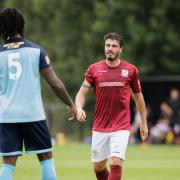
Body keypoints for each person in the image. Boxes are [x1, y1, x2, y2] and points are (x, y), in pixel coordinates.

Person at [0, 8, 77, 180]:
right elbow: (55, 83)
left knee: (8, 162)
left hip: (7, 116)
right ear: (21, 26)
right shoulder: (36, 51)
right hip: (32, 114)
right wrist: (70, 104)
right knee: (46, 158)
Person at [75, 32, 148, 180]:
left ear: (120, 49)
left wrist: (143, 123)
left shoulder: (131, 70)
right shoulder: (94, 69)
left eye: (114, 46)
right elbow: (81, 94)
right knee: (98, 167)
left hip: (121, 125)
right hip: (100, 126)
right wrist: (79, 108)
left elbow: (139, 97)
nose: (110, 48)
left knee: (115, 162)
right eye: (108, 45)